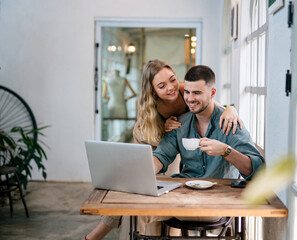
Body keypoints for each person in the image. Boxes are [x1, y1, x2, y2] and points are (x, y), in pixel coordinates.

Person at [83, 60, 242, 240]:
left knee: (165, 191)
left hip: (173, 141)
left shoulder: (185, 91)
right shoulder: (148, 107)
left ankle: (93, 237)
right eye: (162, 85)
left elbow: (211, 102)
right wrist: (162, 126)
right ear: (153, 91)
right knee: (134, 188)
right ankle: (103, 235)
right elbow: (153, 140)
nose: (171, 88)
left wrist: (231, 110)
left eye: (172, 80)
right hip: (151, 139)